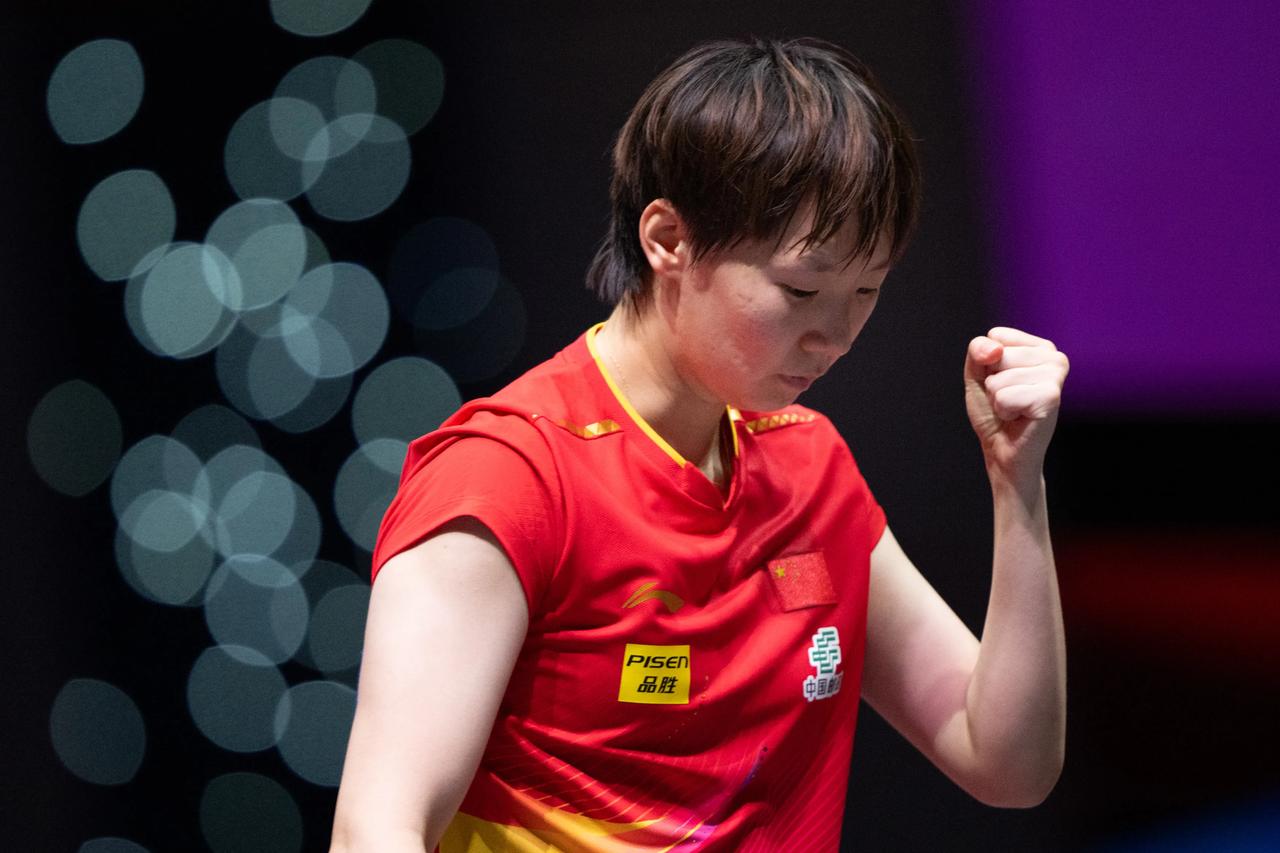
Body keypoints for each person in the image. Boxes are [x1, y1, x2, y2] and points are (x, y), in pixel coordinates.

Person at [330, 36, 1068, 852]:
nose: (835, 336)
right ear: (668, 240)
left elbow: (1006, 760)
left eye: (866, 289)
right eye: (800, 290)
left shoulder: (808, 467)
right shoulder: (509, 478)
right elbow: (375, 828)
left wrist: (1018, 486)